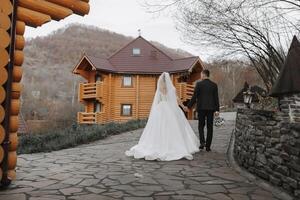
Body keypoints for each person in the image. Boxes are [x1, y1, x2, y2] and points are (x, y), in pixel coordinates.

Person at [125, 72, 200, 161]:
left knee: (159, 128)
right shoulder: (172, 89)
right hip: (170, 109)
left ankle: (158, 144)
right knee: (173, 128)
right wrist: (183, 107)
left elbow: (157, 101)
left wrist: (155, 110)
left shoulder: (159, 89)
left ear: (161, 80)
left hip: (160, 109)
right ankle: (173, 145)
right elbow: (177, 99)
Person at [187, 69, 220, 152]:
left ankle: (202, 143)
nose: (200, 76)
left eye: (201, 75)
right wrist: (217, 110)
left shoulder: (199, 84)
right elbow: (216, 98)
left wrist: (189, 106)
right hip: (211, 109)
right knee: (210, 127)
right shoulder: (214, 85)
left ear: (204, 75)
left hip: (201, 108)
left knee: (201, 126)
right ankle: (208, 146)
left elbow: (194, 97)